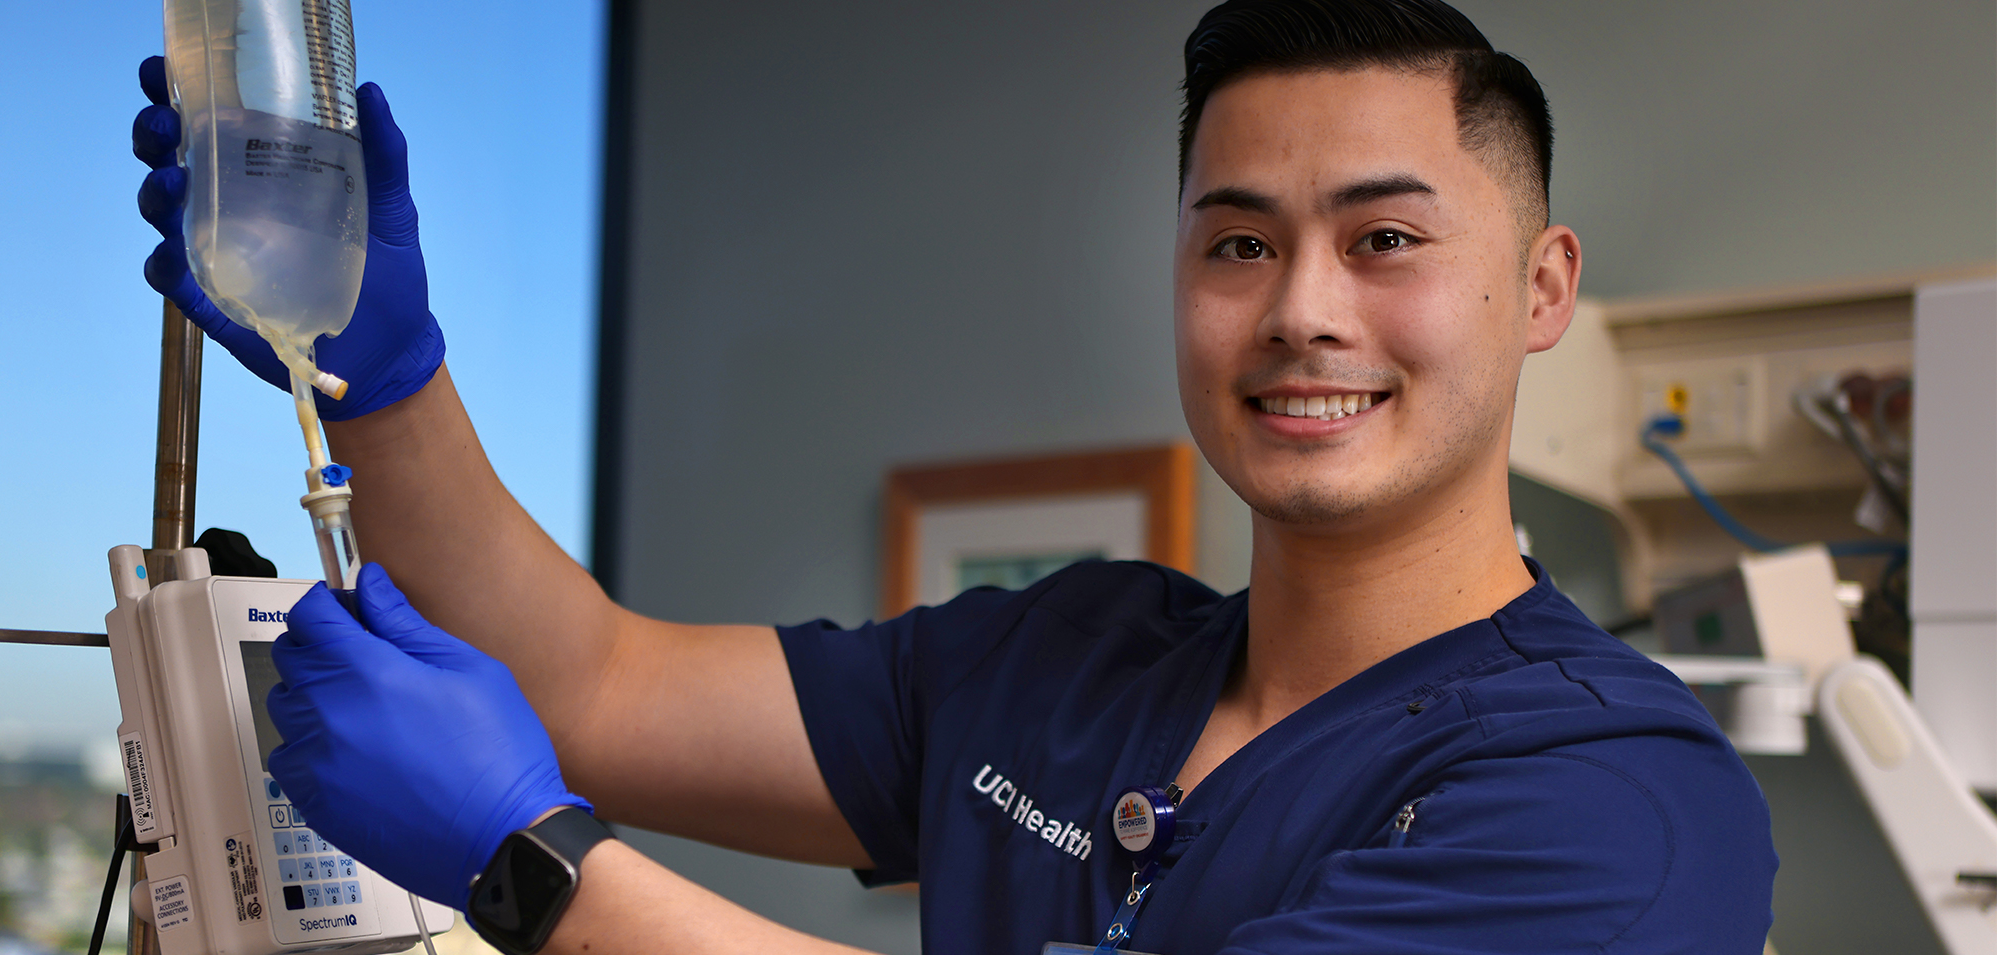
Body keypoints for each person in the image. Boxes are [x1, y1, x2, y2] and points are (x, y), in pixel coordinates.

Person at [130, 0, 1778, 952]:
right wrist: (379, 370)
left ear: (1545, 287)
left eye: (1388, 238)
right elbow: (592, 684)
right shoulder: (1062, 665)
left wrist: (531, 865)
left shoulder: (1618, 809)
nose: (1301, 312)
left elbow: (554, 779)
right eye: (1239, 242)